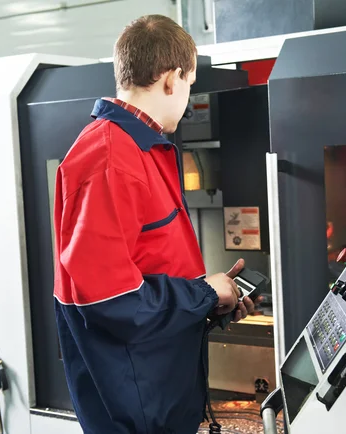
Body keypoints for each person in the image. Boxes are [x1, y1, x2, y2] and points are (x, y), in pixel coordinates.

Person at [53, 14, 257, 434]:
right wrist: (202, 293)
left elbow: (149, 270)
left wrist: (212, 303)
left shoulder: (142, 150)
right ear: (171, 78)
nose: (186, 97)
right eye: (189, 84)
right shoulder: (111, 159)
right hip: (135, 411)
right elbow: (110, 300)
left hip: (160, 398)